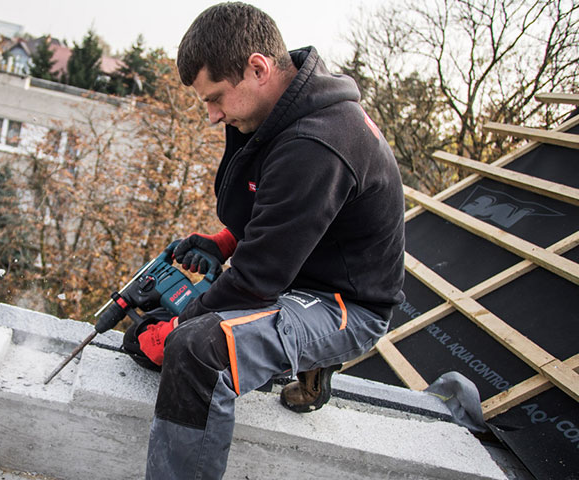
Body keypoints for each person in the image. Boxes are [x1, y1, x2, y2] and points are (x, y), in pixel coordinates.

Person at [121, 3, 406, 479]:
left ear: (258, 67)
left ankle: (315, 352)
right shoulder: (281, 111)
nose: (212, 116)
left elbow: (254, 284)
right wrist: (225, 241)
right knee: (163, 327)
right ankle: (288, 357)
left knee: (196, 351)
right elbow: (283, 210)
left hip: (344, 305)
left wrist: (177, 331)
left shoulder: (319, 143)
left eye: (215, 98)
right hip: (297, 270)